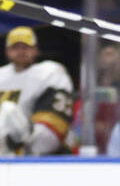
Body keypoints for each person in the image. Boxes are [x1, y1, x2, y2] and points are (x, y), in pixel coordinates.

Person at [0, 25, 73, 156]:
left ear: (36, 50)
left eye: (26, 47)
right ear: (7, 51)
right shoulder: (1, 75)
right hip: (4, 150)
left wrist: (27, 147)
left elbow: (49, 134)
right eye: (15, 47)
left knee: (9, 109)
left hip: (37, 154)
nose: (21, 51)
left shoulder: (49, 73)